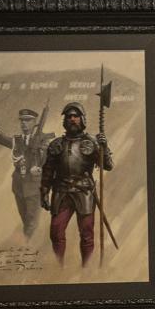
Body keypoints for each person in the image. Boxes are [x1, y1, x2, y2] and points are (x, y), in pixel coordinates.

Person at [40, 102, 111, 265]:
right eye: (69, 116)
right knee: (56, 231)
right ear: (64, 120)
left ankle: (85, 268)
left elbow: (107, 165)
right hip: (61, 192)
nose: (72, 119)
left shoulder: (91, 142)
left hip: (84, 192)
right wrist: (44, 192)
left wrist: (104, 147)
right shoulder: (56, 144)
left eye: (76, 116)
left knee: (86, 233)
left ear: (82, 119)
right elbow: (48, 171)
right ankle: (60, 268)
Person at [0, 107, 50, 236]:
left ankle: (29, 246)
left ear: (35, 122)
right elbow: (5, 141)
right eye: (22, 121)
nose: (24, 124)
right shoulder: (17, 140)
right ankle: (28, 244)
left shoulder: (43, 140)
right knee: (26, 220)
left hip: (34, 187)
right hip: (19, 186)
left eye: (27, 121)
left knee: (32, 222)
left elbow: (45, 156)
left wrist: (38, 167)